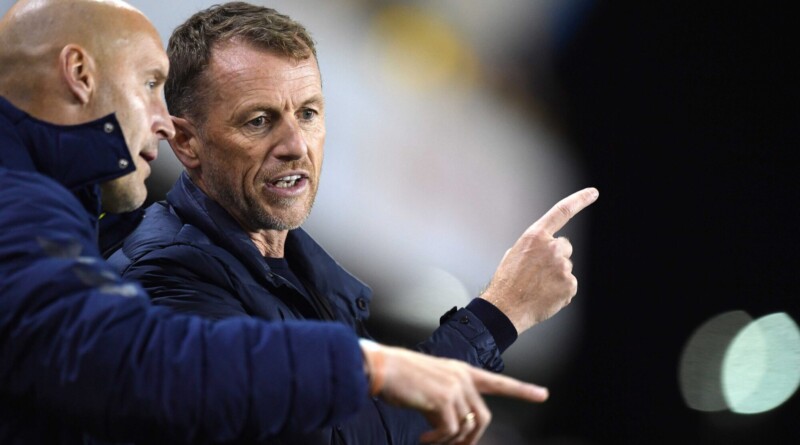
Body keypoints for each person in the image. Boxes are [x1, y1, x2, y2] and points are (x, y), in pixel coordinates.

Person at [0, 1, 562, 444]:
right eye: (149, 85)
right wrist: (381, 359)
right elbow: (132, 358)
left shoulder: (302, 269)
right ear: (79, 73)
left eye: (309, 114)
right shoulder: (126, 251)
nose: (161, 122)